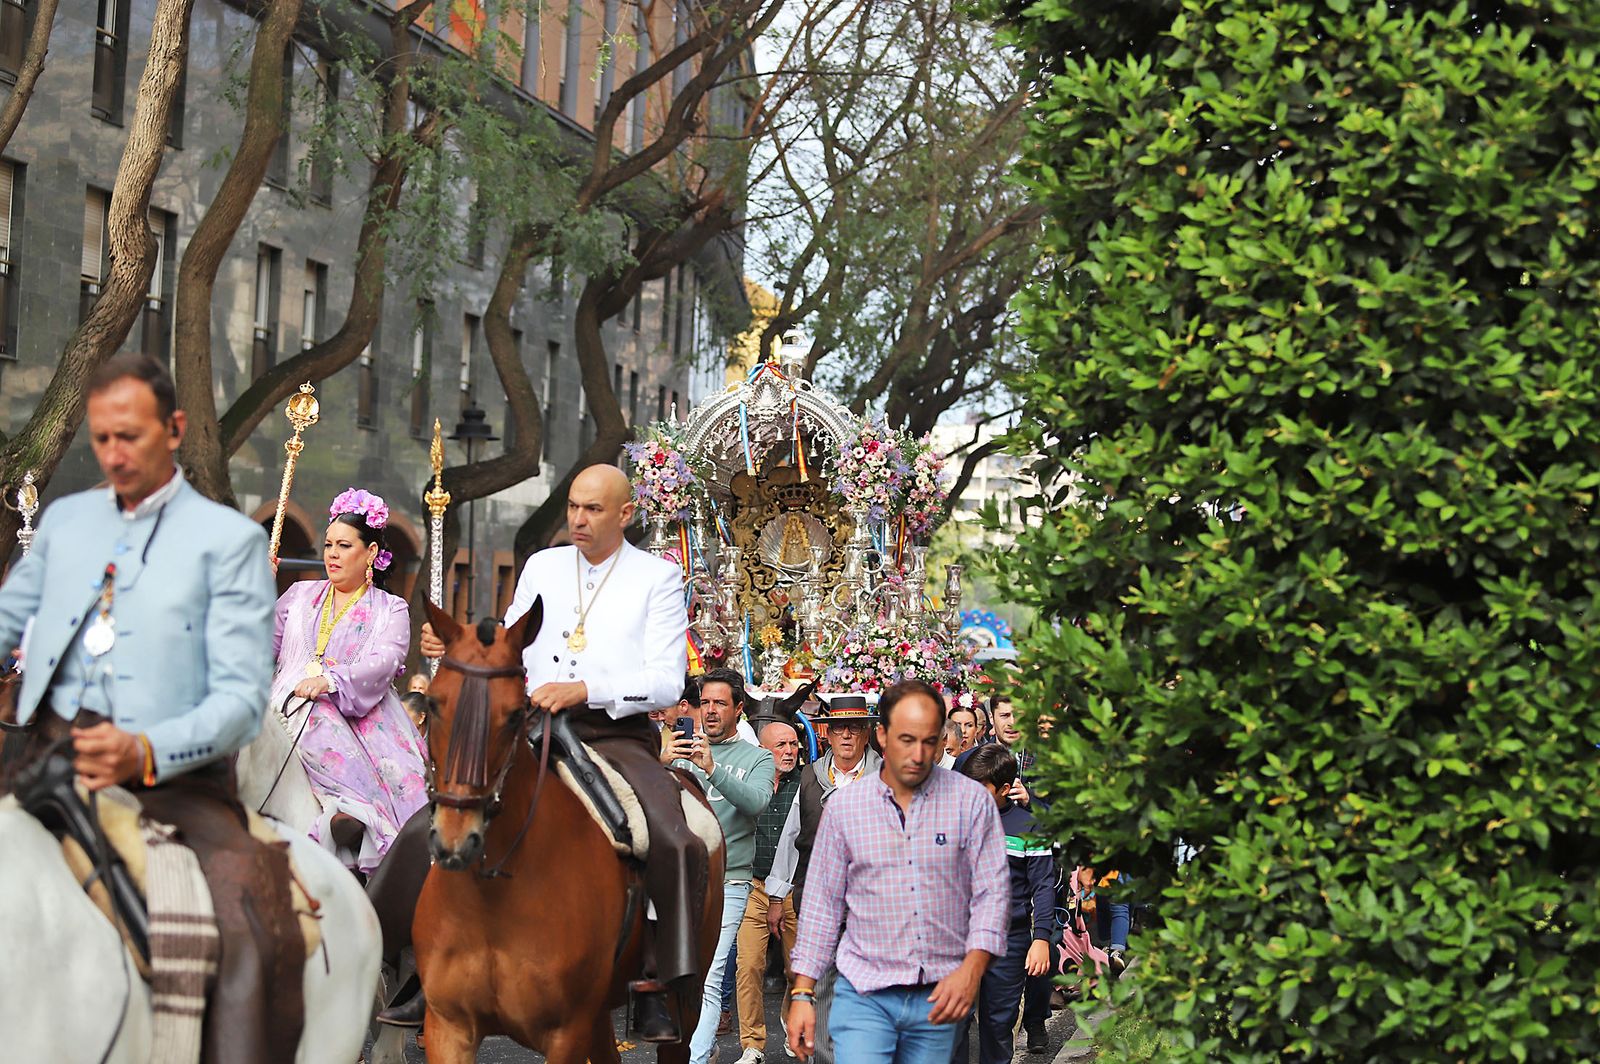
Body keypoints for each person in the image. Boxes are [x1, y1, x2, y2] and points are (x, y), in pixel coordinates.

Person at [0, 353, 303, 1064]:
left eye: (129, 436)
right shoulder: (66, 522)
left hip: (175, 782)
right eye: (102, 439)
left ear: (175, 428)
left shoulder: (230, 542)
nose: (114, 455)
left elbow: (239, 702)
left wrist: (145, 750)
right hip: (41, 756)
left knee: (241, 926)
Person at [412, 463, 701, 1041]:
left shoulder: (658, 578)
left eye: (592, 509)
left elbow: (668, 681)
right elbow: (509, 646)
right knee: (430, 818)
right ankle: (411, 972)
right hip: (530, 728)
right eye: (572, 506)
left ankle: (659, 982)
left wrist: (587, 688)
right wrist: (458, 640)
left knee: (672, 837)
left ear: (625, 514)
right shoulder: (543, 566)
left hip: (612, 735)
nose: (577, 519)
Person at [786, 679, 1009, 1063]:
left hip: (938, 995)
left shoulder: (971, 802)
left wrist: (972, 971)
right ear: (883, 735)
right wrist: (803, 992)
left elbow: (992, 895)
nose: (919, 754)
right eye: (907, 739)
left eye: (929, 741)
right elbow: (822, 906)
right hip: (864, 993)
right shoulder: (846, 809)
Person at [268, 488, 428, 873]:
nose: (332, 554)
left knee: (403, 779)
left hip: (364, 714)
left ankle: (359, 817)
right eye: (328, 545)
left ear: (371, 552)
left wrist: (331, 681)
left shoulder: (392, 608)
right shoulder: (297, 595)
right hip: (286, 702)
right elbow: (256, 648)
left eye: (344, 545)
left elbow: (386, 660)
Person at [662, 667, 776, 1064]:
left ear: (739, 709)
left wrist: (712, 768)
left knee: (710, 978)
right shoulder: (678, 751)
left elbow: (757, 802)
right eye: (705, 702)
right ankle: (702, 1048)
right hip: (677, 879)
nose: (710, 711)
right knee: (679, 977)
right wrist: (658, 766)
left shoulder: (759, 757)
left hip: (730, 881)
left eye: (719, 704)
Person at [953, 745, 1056, 1064]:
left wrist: (1040, 939)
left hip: (1008, 942)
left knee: (997, 1026)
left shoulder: (1030, 827)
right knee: (951, 1025)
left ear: (1005, 788)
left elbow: (1043, 887)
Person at [765, 695, 883, 913]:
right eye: (838, 728)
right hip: (816, 900)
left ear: (866, 735)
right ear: (828, 735)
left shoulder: (887, 779)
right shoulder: (810, 776)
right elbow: (792, 834)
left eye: (855, 728)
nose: (846, 735)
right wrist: (777, 896)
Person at [733, 719, 803, 1064]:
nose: (789, 751)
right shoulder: (746, 781)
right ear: (763, 750)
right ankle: (752, 1044)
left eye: (793, 744)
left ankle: (792, 1023)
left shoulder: (807, 782)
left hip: (792, 888)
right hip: (752, 885)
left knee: (797, 968)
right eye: (781, 745)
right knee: (748, 966)